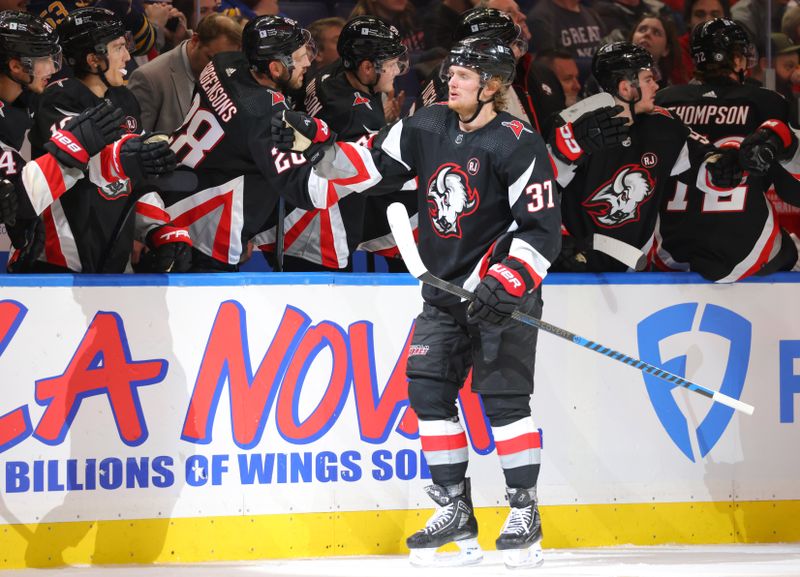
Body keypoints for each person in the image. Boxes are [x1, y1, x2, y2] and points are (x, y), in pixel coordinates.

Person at [272, 35, 561, 569]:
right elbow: (363, 168)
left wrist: (511, 280)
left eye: (466, 75)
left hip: (500, 295)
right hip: (443, 295)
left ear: (493, 86)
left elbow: (542, 230)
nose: (451, 80)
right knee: (428, 395)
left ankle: (525, 511)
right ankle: (454, 507)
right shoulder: (425, 126)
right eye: (452, 71)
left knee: (503, 404)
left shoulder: (518, 143)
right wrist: (307, 154)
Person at [143, 15, 354, 272]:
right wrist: (323, 135)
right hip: (206, 228)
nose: (308, 62)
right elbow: (306, 191)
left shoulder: (222, 63)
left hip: (171, 191)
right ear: (275, 68)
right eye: (299, 58)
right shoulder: (264, 116)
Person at [548, 41, 743, 272]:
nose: (656, 85)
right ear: (626, 88)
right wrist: (557, 241)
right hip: (574, 266)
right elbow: (542, 188)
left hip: (634, 269)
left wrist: (719, 167)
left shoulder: (663, 126)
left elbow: (703, 163)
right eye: (648, 79)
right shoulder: (576, 128)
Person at [26, 7, 182, 273]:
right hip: (60, 259)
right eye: (119, 47)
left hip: (114, 255)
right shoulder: (58, 99)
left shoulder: (125, 99)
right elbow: (78, 164)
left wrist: (158, 228)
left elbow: (132, 179)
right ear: (93, 60)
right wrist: (129, 155)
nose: (127, 56)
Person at [256, 15, 410, 271]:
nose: (396, 70)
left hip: (299, 212)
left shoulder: (335, 73)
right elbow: (371, 176)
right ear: (367, 68)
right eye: (392, 64)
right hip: (319, 231)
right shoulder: (356, 114)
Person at [654, 18, 800, 281]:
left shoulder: (661, 101)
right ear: (737, 59)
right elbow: (794, 191)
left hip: (669, 248)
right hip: (748, 250)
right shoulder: (767, 102)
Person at [0, 10, 131, 271]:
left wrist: (21, 225)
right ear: (15, 66)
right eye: (43, 58)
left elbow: (17, 196)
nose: (52, 67)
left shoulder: (24, 103)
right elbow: (17, 197)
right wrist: (75, 147)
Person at [415, 7, 565, 136]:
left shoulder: (486, 77)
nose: (519, 52)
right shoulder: (459, 90)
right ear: (486, 50)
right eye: (512, 45)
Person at [128, 13, 242, 133]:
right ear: (195, 40)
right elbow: (135, 142)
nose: (217, 70)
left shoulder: (228, 76)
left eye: (225, 64)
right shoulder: (149, 78)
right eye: (211, 59)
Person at [630, 13, 687, 86]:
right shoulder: (613, 70)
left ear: (666, 49)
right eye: (642, 30)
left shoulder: (668, 88)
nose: (647, 34)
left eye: (656, 33)